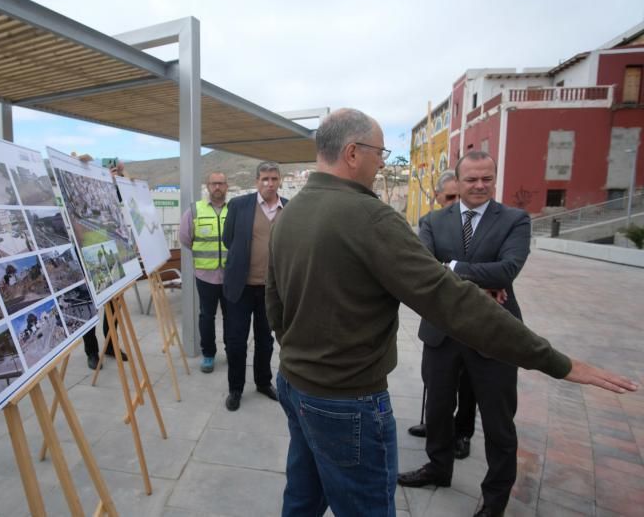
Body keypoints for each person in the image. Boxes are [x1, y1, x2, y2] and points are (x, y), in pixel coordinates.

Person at [265, 108, 637, 517]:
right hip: (346, 399)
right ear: (352, 153)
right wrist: (554, 361)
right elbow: (452, 300)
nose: (383, 161)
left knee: (302, 499)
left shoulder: (290, 212)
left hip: (294, 383)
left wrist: (301, 358)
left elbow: (275, 302)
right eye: (379, 152)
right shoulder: (369, 217)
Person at [398, 151, 533, 515]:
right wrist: (478, 278)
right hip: (442, 332)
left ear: (494, 177)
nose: (479, 185)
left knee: (498, 422)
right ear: (457, 180)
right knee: (439, 409)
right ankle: (438, 468)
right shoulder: (432, 221)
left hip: (494, 335)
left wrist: (453, 267)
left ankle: (494, 500)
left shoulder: (515, 220)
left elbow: (507, 270)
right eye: (471, 179)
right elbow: (423, 270)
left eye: (486, 178)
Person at [407, 169, 479, 462]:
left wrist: (449, 266)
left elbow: (488, 265)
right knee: (434, 379)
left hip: (474, 317)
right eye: (449, 197)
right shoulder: (430, 224)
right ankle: (435, 425)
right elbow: (425, 264)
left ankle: (462, 434)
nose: (454, 203)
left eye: (458, 197)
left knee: (468, 384)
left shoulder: (476, 225)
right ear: (437, 197)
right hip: (439, 317)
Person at [222, 161, 287, 411]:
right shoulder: (239, 205)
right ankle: (235, 389)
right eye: (264, 179)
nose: (269, 183)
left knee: (266, 339)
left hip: (272, 290)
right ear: (256, 181)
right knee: (236, 340)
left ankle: (263, 382)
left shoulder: (288, 208)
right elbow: (229, 239)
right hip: (241, 287)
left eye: (273, 179)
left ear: (280, 180)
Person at [179, 171, 229, 373]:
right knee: (207, 317)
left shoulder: (234, 209)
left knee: (232, 317)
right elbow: (185, 238)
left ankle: (231, 350)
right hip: (205, 276)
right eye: (213, 183)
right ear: (207, 186)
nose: (217, 187)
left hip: (230, 276)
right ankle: (208, 354)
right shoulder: (194, 210)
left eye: (221, 183)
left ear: (227, 186)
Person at [83, 159, 127, 369]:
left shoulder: (106, 191)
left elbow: (119, 201)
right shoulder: (82, 192)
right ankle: (91, 352)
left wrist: (116, 180)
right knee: (90, 309)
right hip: (88, 256)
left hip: (110, 254)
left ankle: (110, 345)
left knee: (113, 306)